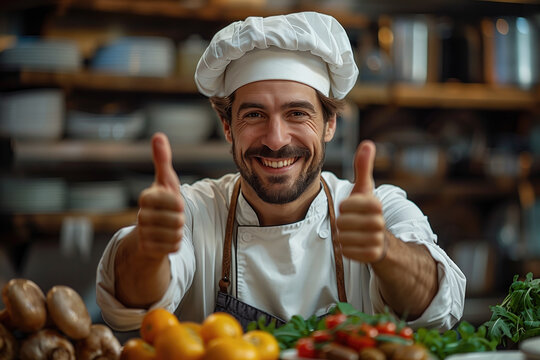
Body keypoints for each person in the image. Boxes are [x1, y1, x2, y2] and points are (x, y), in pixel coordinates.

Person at [96, 11, 466, 332]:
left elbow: (437, 308)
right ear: (227, 127)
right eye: (254, 115)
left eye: (297, 113)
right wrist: (148, 251)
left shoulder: (379, 210)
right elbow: (130, 305)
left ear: (329, 124)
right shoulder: (193, 212)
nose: (275, 140)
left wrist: (385, 250)